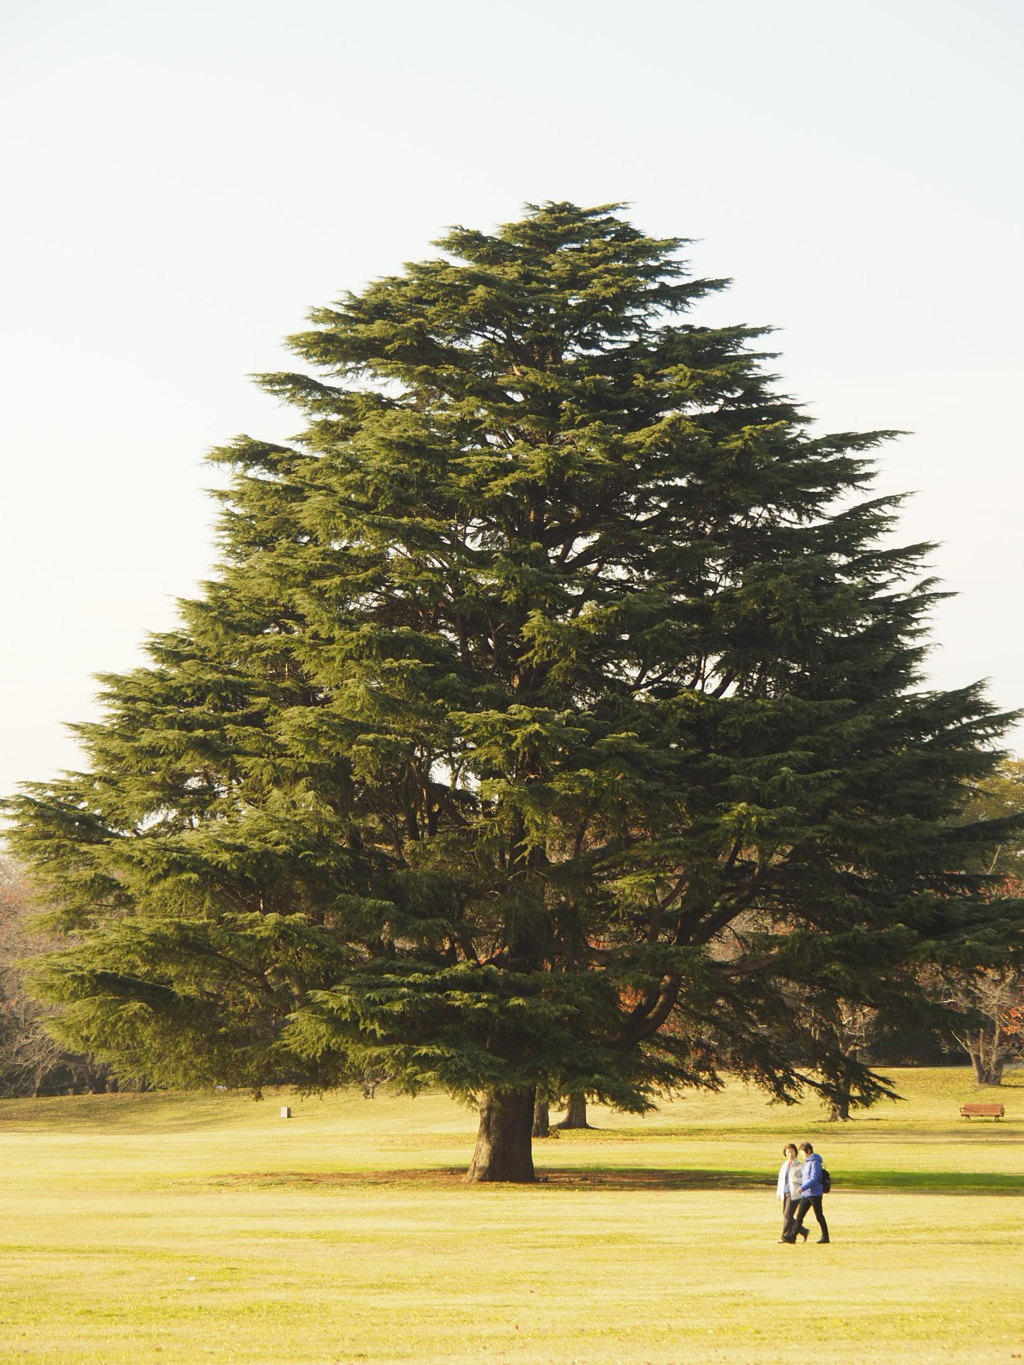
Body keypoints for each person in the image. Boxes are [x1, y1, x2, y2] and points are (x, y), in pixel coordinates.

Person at [785, 1141, 830, 1244]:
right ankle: (793, 1237)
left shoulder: (815, 1162)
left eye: (802, 1153)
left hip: (815, 1194)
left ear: (808, 1151)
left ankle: (825, 1236)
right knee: (799, 1216)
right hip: (806, 1194)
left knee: (819, 1216)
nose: (801, 1155)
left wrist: (802, 1187)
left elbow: (814, 1179)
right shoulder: (807, 1163)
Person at [775, 1143, 806, 1243]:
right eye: (788, 1152)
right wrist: (779, 1192)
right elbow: (781, 1180)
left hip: (795, 1194)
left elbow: (803, 1180)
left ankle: (785, 1236)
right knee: (786, 1215)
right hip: (785, 1192)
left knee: (787, 1215)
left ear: (796, 1153)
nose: (790, 1154)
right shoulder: (784, 1165)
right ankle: (802, 1230)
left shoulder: (800, 1166)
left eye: (792, 1152)